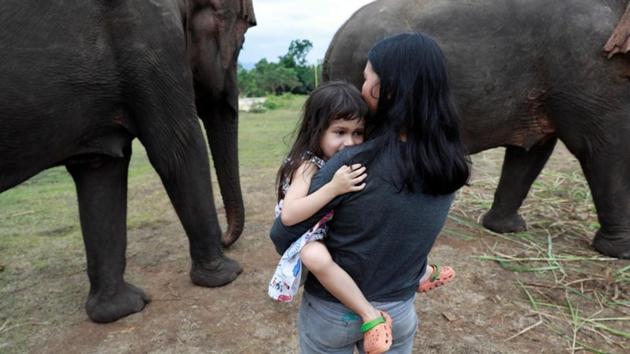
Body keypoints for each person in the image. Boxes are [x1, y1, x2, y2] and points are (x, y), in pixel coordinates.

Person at [270, 32, 470, 354]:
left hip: (333, 313)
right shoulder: (451, 164)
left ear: (387, 89)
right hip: (400, 310)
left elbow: (284, 235)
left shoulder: (351, 163)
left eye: (366, 79)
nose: (362, 89)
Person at [268, 81, 393, 354]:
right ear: (317, 130)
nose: (350, 143)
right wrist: (333, 188)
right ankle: (369, 314)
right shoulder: (307, 164)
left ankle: (418, 272)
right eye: (340, 132)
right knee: (315, 257)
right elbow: (289, 216)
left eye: (358, 133)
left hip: (328, 228)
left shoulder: (348, 158)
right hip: (307, 234)